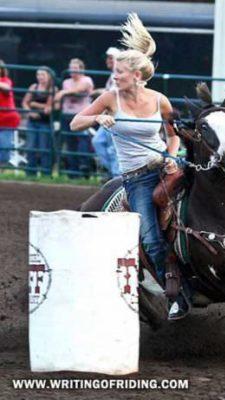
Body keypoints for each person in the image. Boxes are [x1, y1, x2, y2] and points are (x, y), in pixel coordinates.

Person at [70, 13, 188, 318]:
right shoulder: (110, 98)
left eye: (120, 72)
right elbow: (74, 122)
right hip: (137, 179)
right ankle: (174, 296)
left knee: (213, 188)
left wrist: (172, 157)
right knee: (149, 236)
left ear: (136, 76)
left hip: (164, 167)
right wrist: (97, 118)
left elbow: (173, 136)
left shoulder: (160, 100)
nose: (115, 76)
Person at [54, 58, 94, 178]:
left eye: (75, 68)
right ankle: (72, 173)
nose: (72, 70)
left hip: (82, 114)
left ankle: (84, 168)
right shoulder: (66, 82)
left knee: (82, 141)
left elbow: (80, 89)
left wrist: (63, 93)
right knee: (69, 143)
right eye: (71, 68)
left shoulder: (87, 80)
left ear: (82, 70)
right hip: (67, 115)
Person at [91, 47, 121, 179]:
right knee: (97, 141)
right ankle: (114, 173)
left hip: (114, 116)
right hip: (107, 116)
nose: (108, 60)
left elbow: (114, 93)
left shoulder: (119, 75)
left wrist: (99, 93)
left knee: (112, 148)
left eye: (111, 58)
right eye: (108, 57)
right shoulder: (112, 75)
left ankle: (116, 177)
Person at [21, 68, 57, 176]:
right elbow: (25, 103)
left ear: (49, 76)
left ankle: (46, 173)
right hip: (32, 121)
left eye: (43, 74)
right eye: (38, 74)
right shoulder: (33, 87)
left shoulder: (53, 89)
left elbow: (48, 108)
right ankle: (30, 173)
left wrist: (34, 104)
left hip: (45, 122)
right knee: (30, 147)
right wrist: (30, 112)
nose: (40, 77)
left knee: (44, 148)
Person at [0, 60, 21, 166]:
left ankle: (2, 169)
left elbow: (7, 88)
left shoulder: (5, 80)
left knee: (4, 146)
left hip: (7, 120)